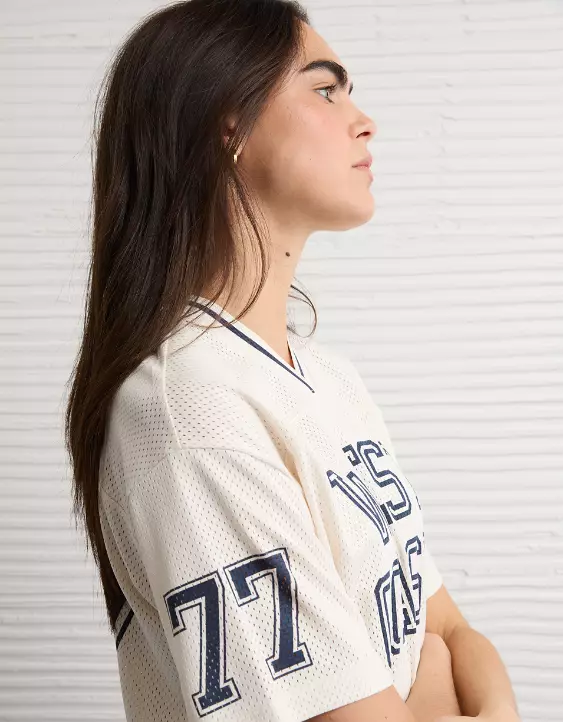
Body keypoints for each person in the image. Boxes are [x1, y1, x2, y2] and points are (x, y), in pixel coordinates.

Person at [65, 1, 519, 721]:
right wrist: (434, 676)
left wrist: (463, 686)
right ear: (230, 124)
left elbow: (451, 630)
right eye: (325, 89)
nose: (364, 121)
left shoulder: (330, 380)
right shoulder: (189, 409)